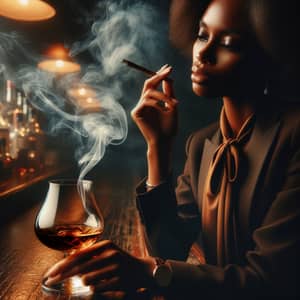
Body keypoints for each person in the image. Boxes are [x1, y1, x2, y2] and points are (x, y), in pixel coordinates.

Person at [43, 0, 300, 299]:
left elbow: (268, 282)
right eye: (202, 35)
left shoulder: (293, 138)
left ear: (268, 55)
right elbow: (169, 252)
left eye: (229, 43)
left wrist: (146, 271)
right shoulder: (202, 144)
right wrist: (158, 147)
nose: (203, 52)